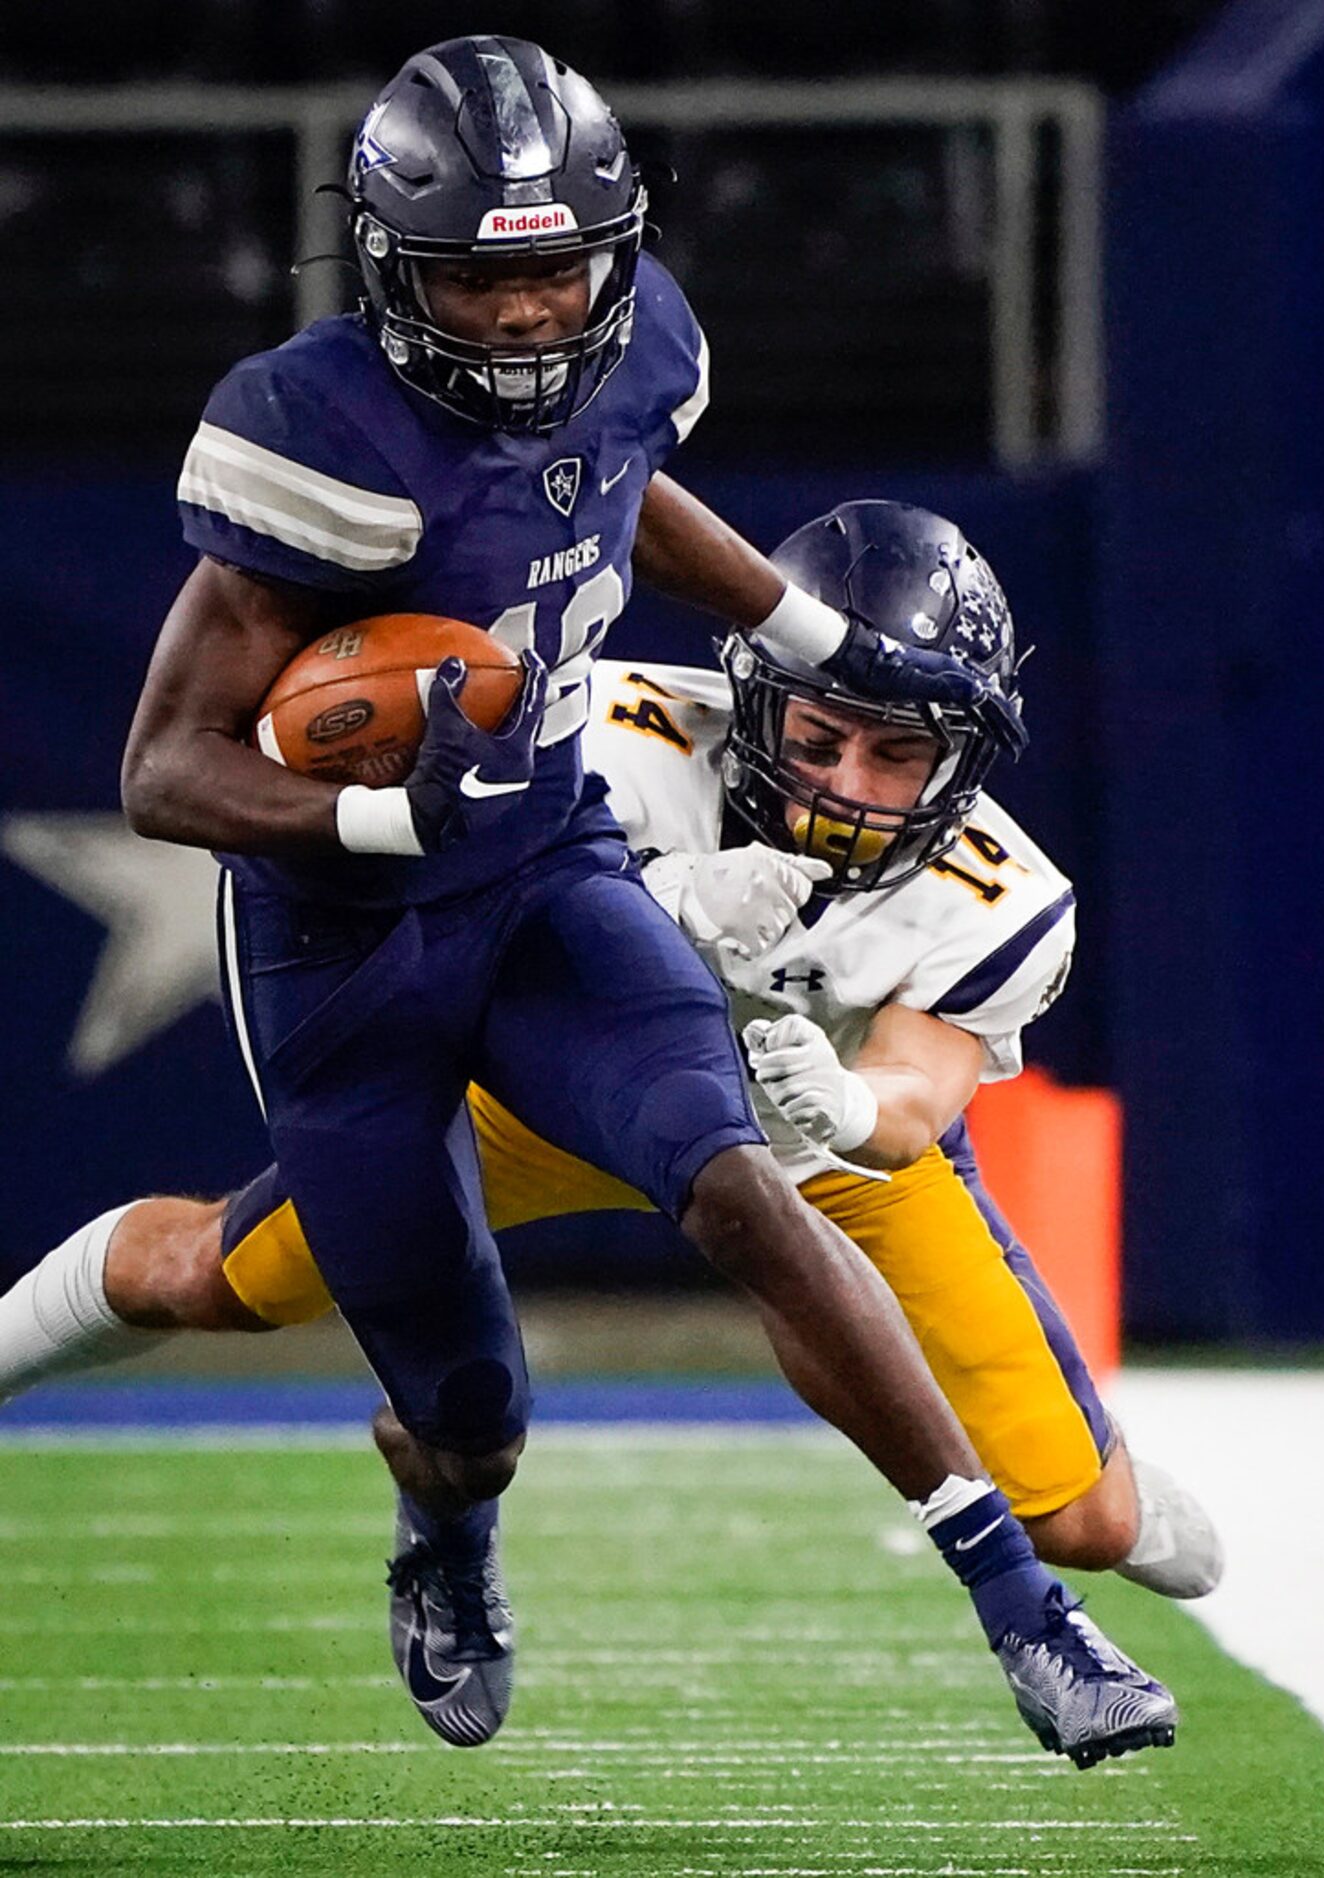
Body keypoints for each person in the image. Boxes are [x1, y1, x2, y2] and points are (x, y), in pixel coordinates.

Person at [9, 40, 1178, 1767]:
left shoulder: (633, 348)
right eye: (485, 278)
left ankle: (1026, 1608)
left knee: (741, 1183)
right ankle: (448, 1526)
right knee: (470, 1406)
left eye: (562, 269)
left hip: (544, 863)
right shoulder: (313, 436)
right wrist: (381, 815)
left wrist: (807, 637)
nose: (532, 316)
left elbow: (624, 477)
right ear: (399, 267)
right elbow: (163, 773)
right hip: (349, 939)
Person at [1, 499, 1220, 1603]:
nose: (847, 783)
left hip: (811, 1150)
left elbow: (918, 1091)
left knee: (1082, 1523)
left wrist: (849, 1104)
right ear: (755, 692)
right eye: (821, 736)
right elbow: (437, 904)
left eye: (899, 754)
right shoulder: (595, 730)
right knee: (222, 1277)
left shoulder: (998, 893)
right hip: (548, 1095)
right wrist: (639, 897)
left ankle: (1092, 1461)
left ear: (964, 761)